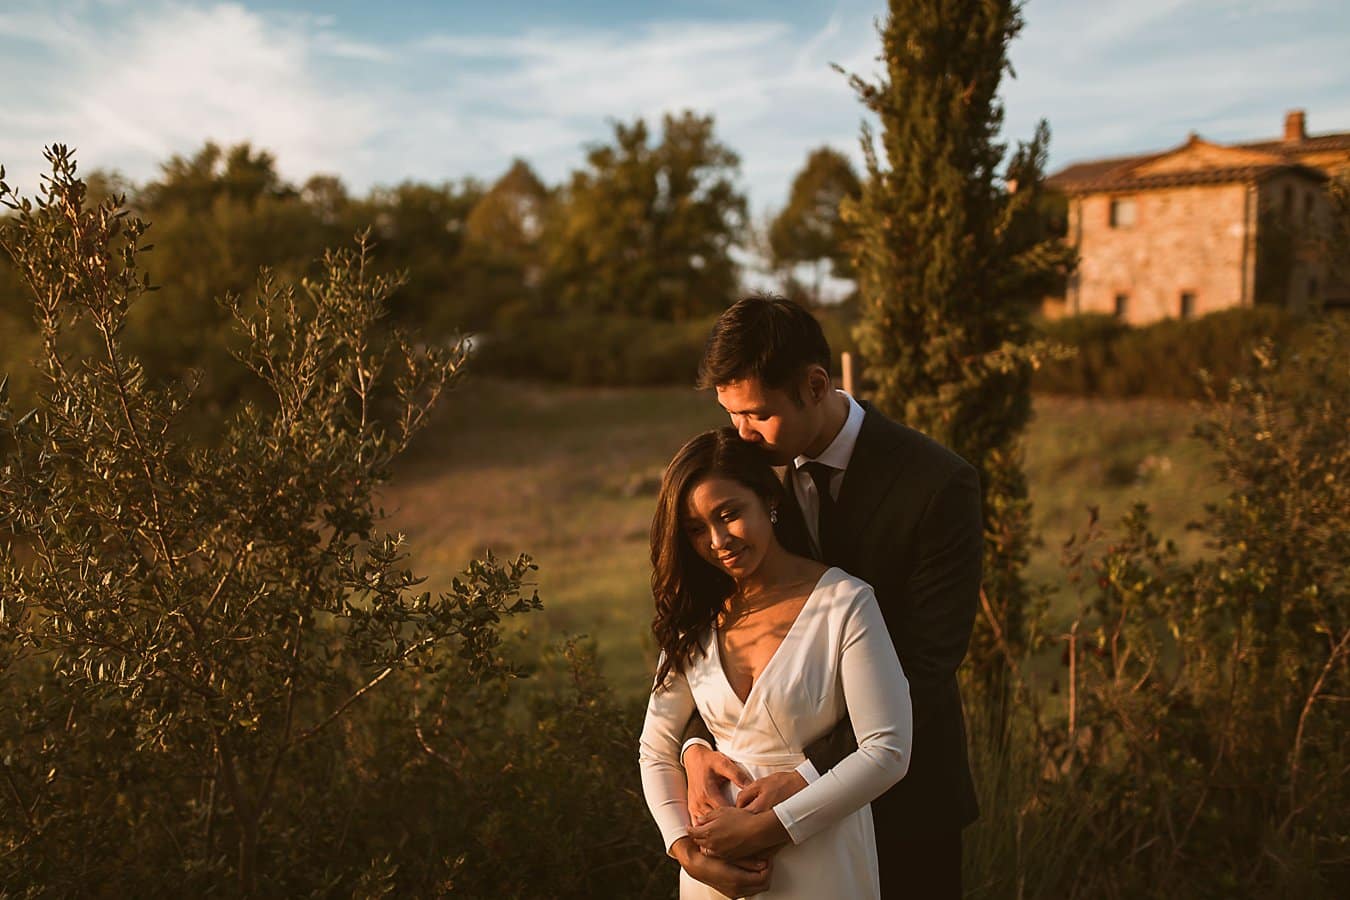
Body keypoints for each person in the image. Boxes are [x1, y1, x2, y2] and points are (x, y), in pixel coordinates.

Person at [679, 295, 983, 899]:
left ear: (816, 384)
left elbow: (927, 661)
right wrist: (694, 743)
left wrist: (814, 773)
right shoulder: (750, 475)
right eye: (731, 414)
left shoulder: (938, 485)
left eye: (756, 414)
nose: (740, 433)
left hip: (907, 796)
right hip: (759, 814)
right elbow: (717, 621)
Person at [639, 428, 913, 899]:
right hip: (713, 876)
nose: (717, 540)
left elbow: (886, 750)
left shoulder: (844, 603)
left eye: (729, 514)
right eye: (695, 529)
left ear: (768, 498)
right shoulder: (696, 614)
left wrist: (774, 828)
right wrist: (687, 853)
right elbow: (655, 749)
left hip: (819, 859)